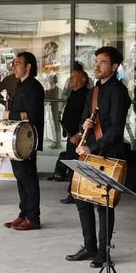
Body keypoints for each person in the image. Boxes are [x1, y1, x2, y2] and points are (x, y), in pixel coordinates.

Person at [65, 46, 131, 268]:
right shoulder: (94, 90)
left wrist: (92, 148)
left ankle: (104, 252)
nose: (97, 65)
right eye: (95, 61)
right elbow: (87, 115)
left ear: (114, 66)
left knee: (103, 204)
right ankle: (89, 246)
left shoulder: (119, 92)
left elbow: (116, 130)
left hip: (108, 153)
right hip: (90, 150)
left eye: (102, 62)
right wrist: (84, 124)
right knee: (82, 199)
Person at [3, 52, 45, 231]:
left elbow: (31, 115)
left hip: (27, 140)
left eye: (18, 63)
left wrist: (9, 115)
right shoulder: (20, 85)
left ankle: (33, 218)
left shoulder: (34, 87)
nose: (14, 66)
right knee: (20, 178)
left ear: (28, 67)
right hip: (17, 139)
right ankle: (23, 214)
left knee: (28, 178)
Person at [58, 63, 89, 204]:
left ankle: (77, 193)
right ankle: (73, 192)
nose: (70, 80)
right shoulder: (74, 94)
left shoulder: (86, 95)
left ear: (82, 80)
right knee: (71, 164)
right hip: (70, 135)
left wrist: (79, 134)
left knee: (77, 165)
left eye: (73, 77)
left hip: (79, 137)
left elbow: (85, 116)